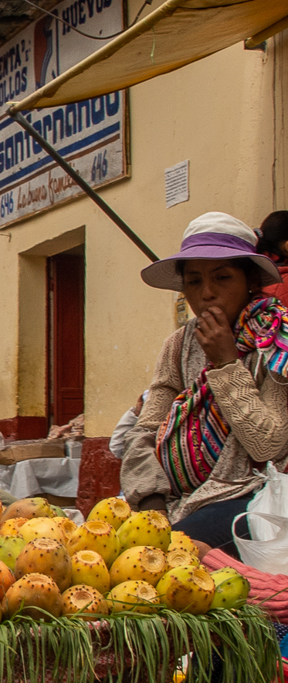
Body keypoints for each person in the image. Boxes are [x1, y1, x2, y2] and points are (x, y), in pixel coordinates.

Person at [119, 211, 288, 547]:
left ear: (251, 281)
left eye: (222, 278)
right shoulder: (180, 345)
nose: (207, 293)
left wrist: (226, 363)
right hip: (175, 501)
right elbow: (144, 432)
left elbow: (268, 446)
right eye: (194, 281)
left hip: (254, 497)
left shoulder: (276, 337)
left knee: (181, 548)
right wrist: (152, 505)